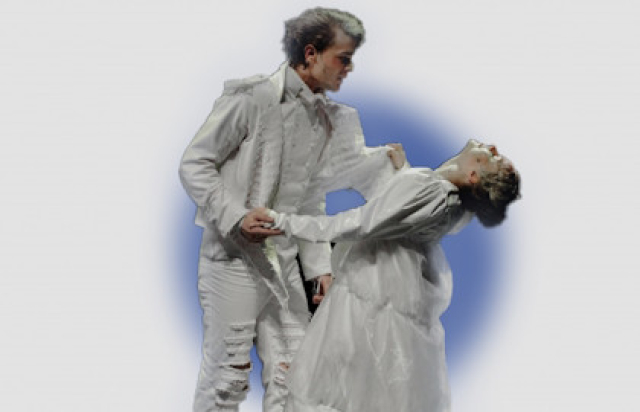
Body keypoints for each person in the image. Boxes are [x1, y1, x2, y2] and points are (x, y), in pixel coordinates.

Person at [179, 7, 405, 412]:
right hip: (233, 260)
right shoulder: (251, 100)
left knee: (297, 373)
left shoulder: (325, 120)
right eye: (343, 58)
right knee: (228, 376)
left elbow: (309, 197)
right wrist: (236, 216)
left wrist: (319, 268)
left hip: (282, 263)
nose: (349, 68)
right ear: (311, 53)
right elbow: (195, 163)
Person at [258, 139, 520, 412]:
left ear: (473, 175)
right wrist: (402, 171)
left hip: (374, 287)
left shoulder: (431, 193)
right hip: (399, 287)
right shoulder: (457, 204)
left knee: (346, 377)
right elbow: (406, 215)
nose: (492, 148)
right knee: (370, 383)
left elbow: (358, 223)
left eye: (492, 158)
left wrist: (282, 222)